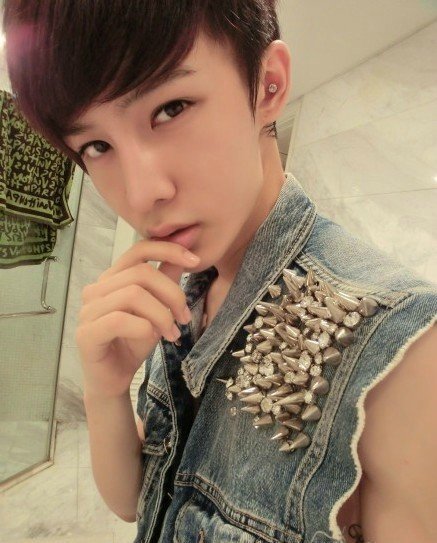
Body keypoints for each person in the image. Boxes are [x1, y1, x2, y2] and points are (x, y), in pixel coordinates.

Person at [3, 2, 437, 542]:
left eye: (171, 108)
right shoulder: (184, 293)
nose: (141, 193)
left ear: (268, 85)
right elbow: (137, 501)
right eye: (96, 145)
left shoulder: (400, 351)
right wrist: (105, 388)